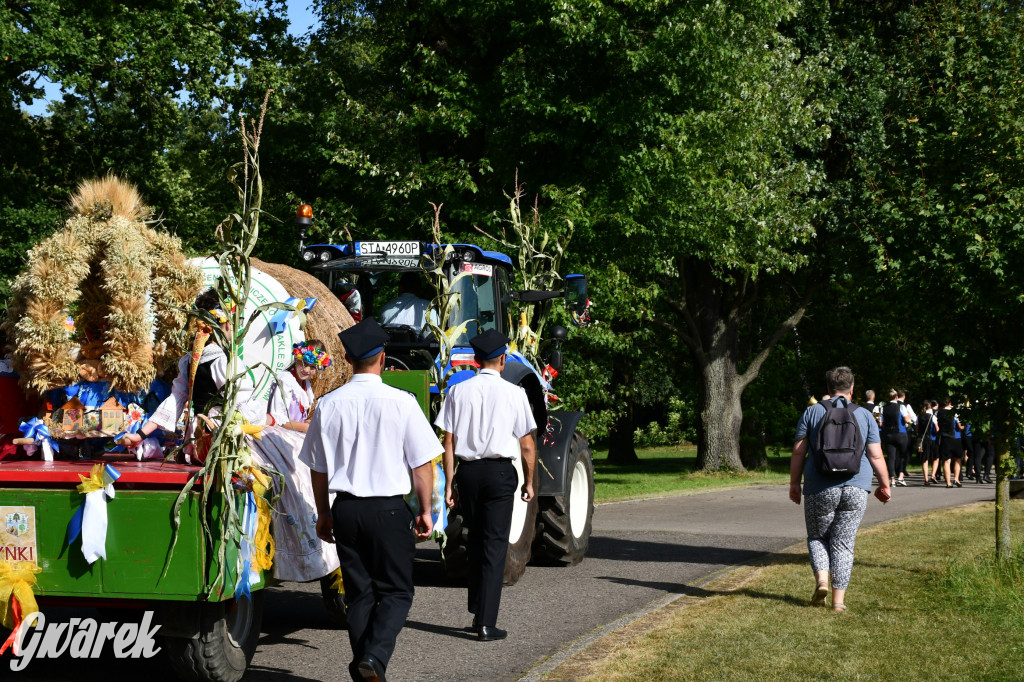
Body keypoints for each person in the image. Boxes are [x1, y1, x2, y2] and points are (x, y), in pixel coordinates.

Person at [301, 318, 439, 682]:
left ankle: (366, 667)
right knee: (396, 592)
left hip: (346, 508)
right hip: (389, 509)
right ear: (383, 357)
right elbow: (422, 465)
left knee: (360, 594)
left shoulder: (328, 404)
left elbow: (318, 469)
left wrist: (324, 514)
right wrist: (426, 510)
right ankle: (374, 658)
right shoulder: (402, 402)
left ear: (347, 358)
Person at [435, 329, 537, 641]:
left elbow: (448, 441)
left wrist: (450, 481)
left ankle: (477, 608)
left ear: (476, 360)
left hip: (467, 472)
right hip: (499, 473)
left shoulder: (458, 391)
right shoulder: (514, 393)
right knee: (494, 545)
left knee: (476, 540)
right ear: (503, 359)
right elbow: (528, 446)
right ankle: (485, 622)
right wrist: (530, 482)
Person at [789, 366, 889, 613]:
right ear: (852, 389)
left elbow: (799, 451)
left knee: (817, 537)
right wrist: (885, 483)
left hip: (819, 484)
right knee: (843, 542)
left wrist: (794, 483)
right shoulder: (865, 415)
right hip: (857, 484)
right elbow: (875, 455)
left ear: (828, 388)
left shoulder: (812, 411)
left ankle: (822, 580)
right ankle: (838, 602)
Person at [120, 288, 263, 460]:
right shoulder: (224, 361)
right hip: (222, 444)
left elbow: (174, 401)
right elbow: (244, 407)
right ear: (227, 323)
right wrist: (271, 421)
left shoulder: (190, 361)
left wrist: (140, 435)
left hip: (199, 444)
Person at [251, 340, 341, 584]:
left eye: (313, 367)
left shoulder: (306, 385)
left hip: (299, 432)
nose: (308, 370)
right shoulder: (284, 380)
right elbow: (278, 419)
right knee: (301, 469)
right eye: (305, 364)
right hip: (282, 433)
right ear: (298, 359)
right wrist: (308, 428)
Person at [880, 389, 910, 486]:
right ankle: (901, 476)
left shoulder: (883, 408)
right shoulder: (901, 406)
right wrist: (909, 417)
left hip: (889, 435)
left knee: (891, 457)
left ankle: (892, 479)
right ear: (896, 397)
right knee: (903, 455)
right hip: (901, 433)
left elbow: (881, 423)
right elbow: (906, 420)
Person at [937, 396, 963, 487]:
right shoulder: (955, 413)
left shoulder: (938, 412)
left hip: (944, 438)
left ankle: (948, 482)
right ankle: (956, 479)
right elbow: (960, 427)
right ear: (950, 403)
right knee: (958, 459)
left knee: (946, 461)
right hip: (955, 438)